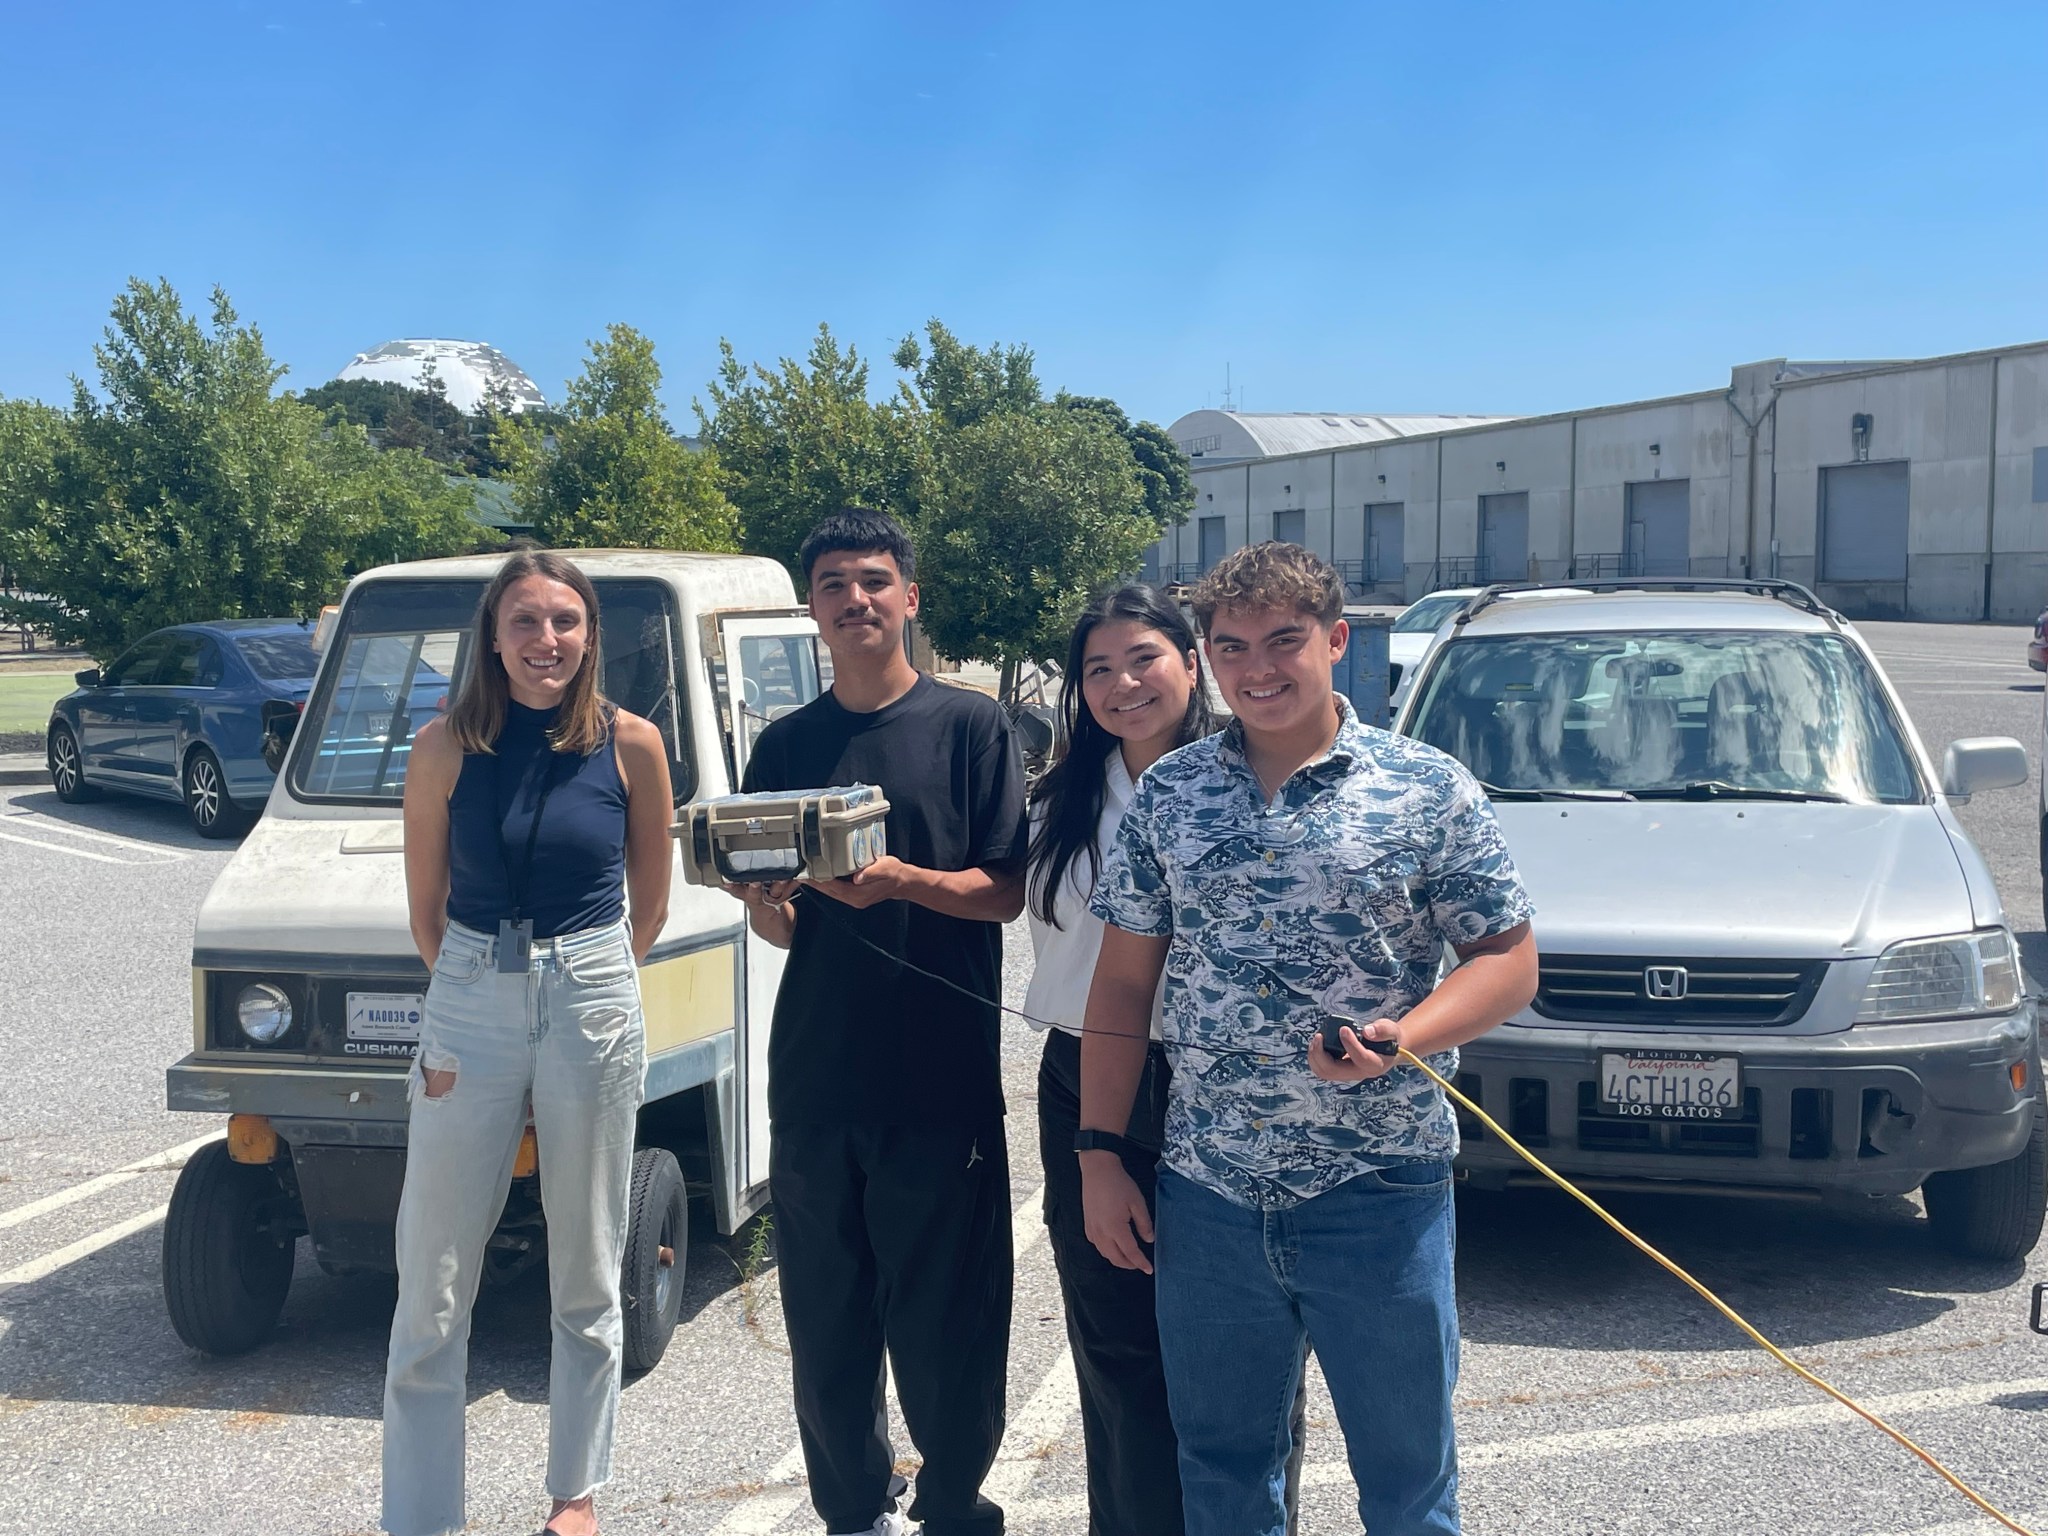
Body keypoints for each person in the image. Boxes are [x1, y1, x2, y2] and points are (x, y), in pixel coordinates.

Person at [1078, 542, 1538, 1536]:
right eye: (1231, 646)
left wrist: (1401, 1035)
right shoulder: (1171, 795)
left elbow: (1507, 962)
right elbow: (1119, 990)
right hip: (1207, 1194)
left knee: (1407, 1484)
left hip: (1380, 1190)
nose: (1258, 669)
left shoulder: (1425, 787)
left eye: (1285, 641)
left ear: (1335, 641)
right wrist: (1098, 1155)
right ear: (1205, 656)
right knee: (1223, 1474)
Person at [725, 507, 1028, 1536]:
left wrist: (899, 880)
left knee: (945, 1320)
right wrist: (765, 908)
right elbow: (780, 925)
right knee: (827, 1320)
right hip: (814, 1077)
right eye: (831, 586)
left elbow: (1002, 891)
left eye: (871, 581)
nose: (853, 601)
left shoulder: (970, 727)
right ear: (810, 609)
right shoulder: (785, 744)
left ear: (908, 594)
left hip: (935, 1079)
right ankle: (850, 1507)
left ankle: (952, 1507)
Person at [383, 551, 674, 1536]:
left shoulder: (632, 746)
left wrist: (580, 977)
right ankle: (421, 1514)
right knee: (432, 1272)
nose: (544, 641)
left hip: (589, 989)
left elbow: (650, 901)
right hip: (468, 998)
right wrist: (480, 986)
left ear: (590, 634)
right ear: (492, 636)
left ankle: (574, 1497)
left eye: (564, 621)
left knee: (588, 1263)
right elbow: (426, 912)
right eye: (524, 622)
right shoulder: (442, 748)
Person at [1024, 584, 1306, 1536]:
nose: (1122, 684)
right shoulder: (1061, 795)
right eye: (1097, 669)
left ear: (1192, 664)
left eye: (1144, 658)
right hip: (1087, 1084)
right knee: (1117, 1351)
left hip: (1216, 1085)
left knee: (1243, 1353)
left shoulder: (1249, 782)